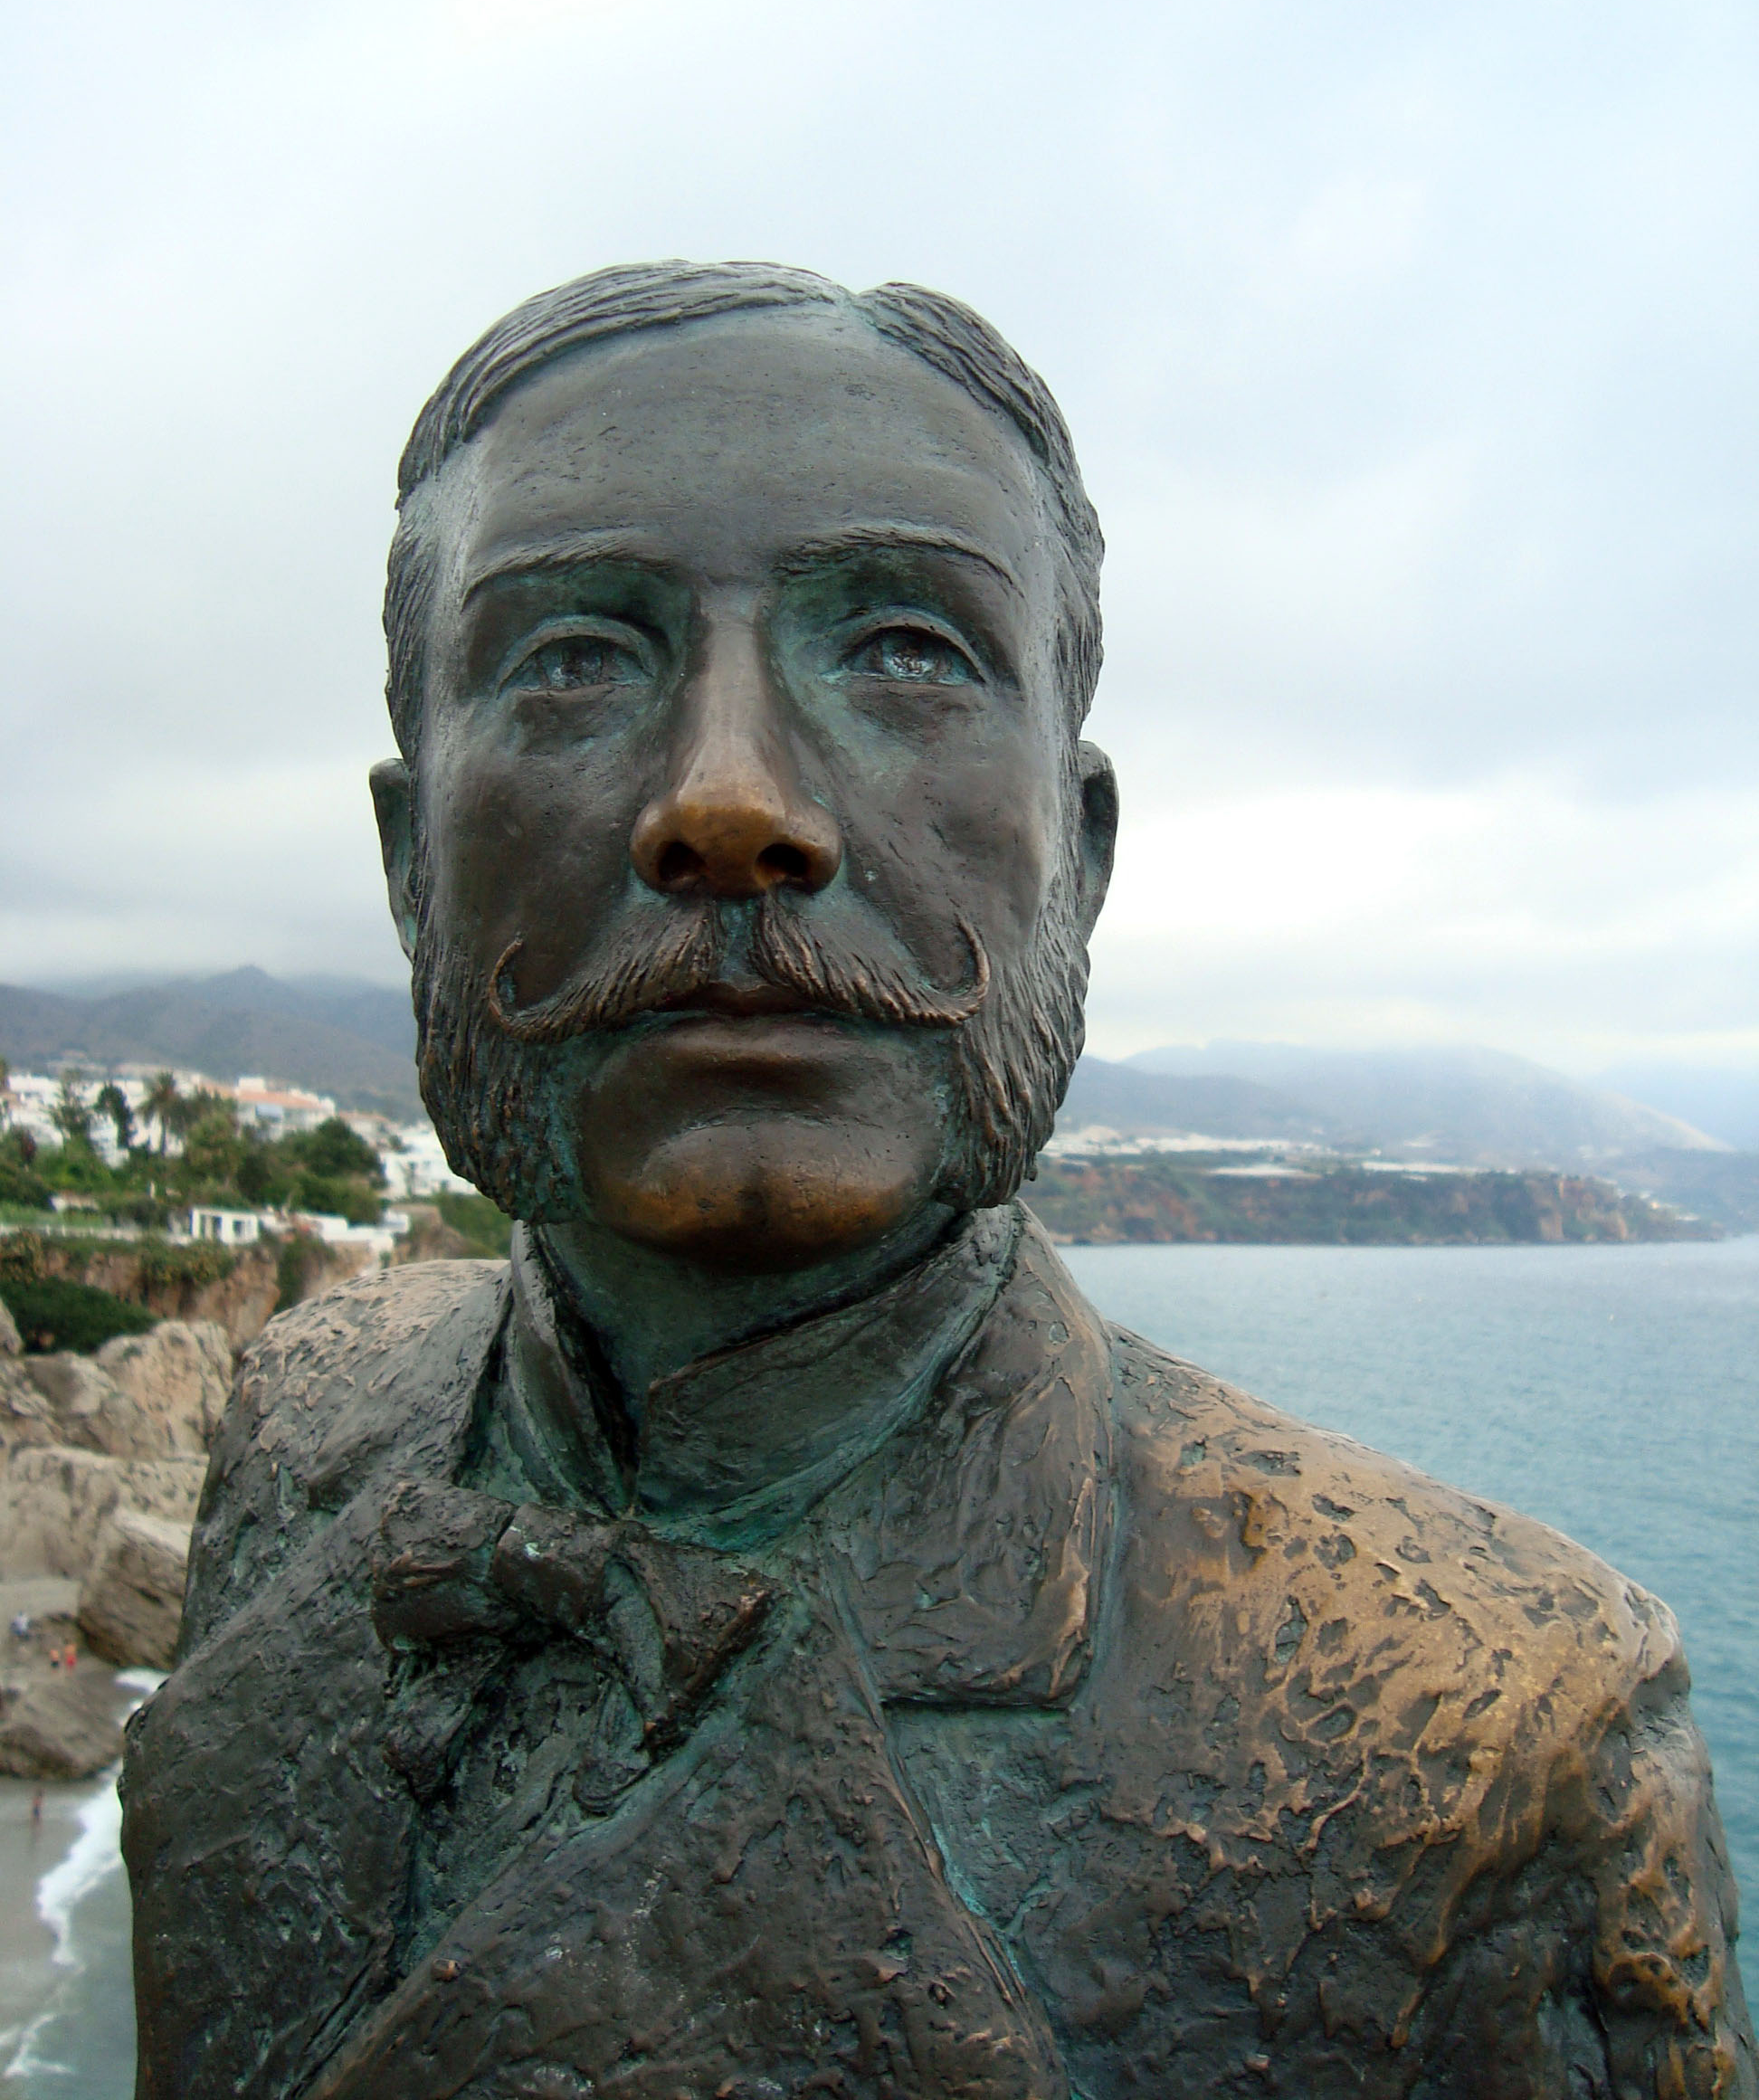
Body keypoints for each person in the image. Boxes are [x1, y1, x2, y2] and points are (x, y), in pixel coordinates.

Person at [122, 263, 1754, 2098]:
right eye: (573, 656)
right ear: (413, 858)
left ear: (1083, 854)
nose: (730, 803)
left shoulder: (1495, 1745)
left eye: (907, 649)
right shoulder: (295, 1421)